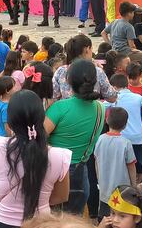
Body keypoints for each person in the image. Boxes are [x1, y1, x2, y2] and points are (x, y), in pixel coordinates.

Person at [0, 89, 71, 227]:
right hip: (42, 223)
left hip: (2, 222)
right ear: (42, 119)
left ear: (10, 123)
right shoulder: (59, 156)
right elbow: (61, 196)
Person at [45, 59, 105, 214]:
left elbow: (37, 138)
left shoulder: (59, 108)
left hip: (55, 175)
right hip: (80, 175)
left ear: (68, 80)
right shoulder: (100, 108)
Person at [107, 74, 142, 179]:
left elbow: (100, 107)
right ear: (127, 84)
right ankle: (139, 189)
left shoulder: (113, 98)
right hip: (137, 137)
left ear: (114, 87)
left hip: (120, 137)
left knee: (121, 167)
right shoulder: (138, 97)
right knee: (140, 167)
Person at [94, 107, 137, 222]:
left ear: (107, 120)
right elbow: (131, 166)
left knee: (104, 217)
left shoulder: (100, 139)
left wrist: (99, 178)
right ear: (125, 125)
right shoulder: (126, 143)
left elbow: (96, 162)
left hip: (104, 187)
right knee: (121, 217)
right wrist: (134, 185)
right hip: (123, 190)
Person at [52, 34, 116, 103]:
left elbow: (53, 96)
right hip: (91, 111)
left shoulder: (60, 71)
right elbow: (112, 97)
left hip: (66, 111)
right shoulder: (97, 71)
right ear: (87, 49)